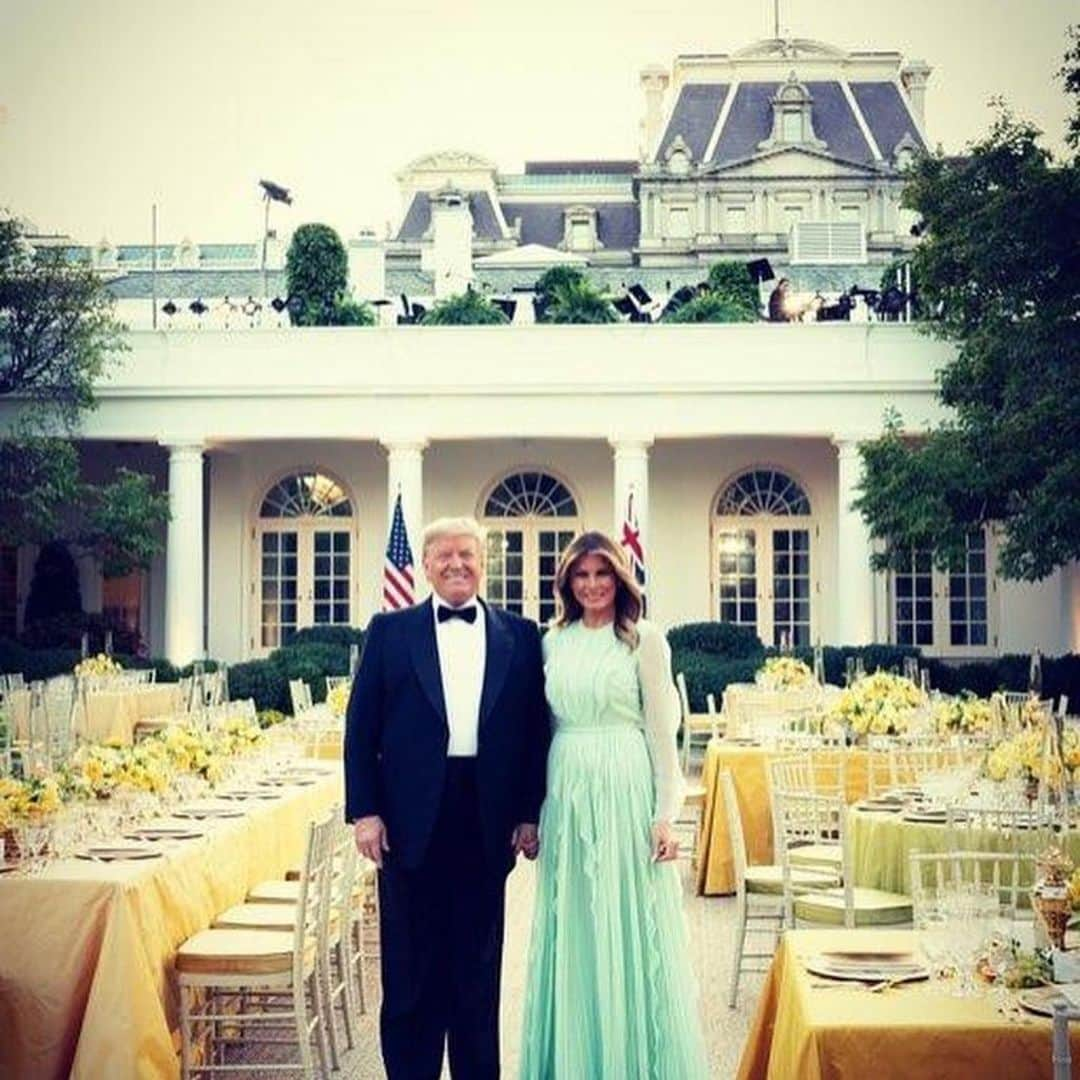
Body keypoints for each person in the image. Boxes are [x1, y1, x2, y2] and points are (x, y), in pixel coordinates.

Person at [345, 516, 549, 1079]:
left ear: (485, 563)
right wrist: (365, 812)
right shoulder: (389, 631)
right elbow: (360, 730)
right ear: (427, 564)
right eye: (445, 556)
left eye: (468, 555)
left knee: (476, 974)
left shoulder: (522, 636)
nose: (457, 565)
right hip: (410, 822)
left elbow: (535, 733)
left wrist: (529, 813)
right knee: (410, 973)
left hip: (484, 821)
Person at [519, 531, 708, 1078]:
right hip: (568, 789)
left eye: (603, 574)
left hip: (626, 786)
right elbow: (541, 730)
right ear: (567, 583)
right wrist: (532, 809)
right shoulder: (551, 641)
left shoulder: (644, 640)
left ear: (620, 579)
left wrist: (664, 814)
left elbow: (660, 732)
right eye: (582, 574)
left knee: (625, 920)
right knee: (573, 921)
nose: (593, 585)